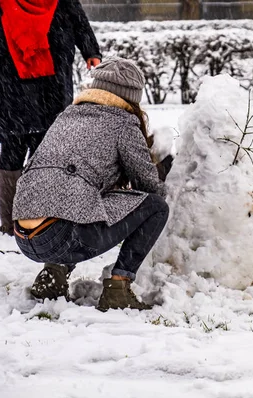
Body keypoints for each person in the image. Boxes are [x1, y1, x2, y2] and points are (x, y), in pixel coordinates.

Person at [12, 58, 170, 312]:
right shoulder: (122, 121)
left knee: (75, 196)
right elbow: (147, 185)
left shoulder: (67, 115)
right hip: (62, 237)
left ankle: (52, 276)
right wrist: (165, 171)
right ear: (131, 97)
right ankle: (119, 287)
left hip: (24, 237)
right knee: (157, 207)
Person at [0, 0, 102, 235]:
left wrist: (90, 50)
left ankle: (13, 221)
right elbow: (77, 18)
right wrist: (90, 51)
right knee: (44, 149)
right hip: (47, 80)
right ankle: (39, 220)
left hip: (12, 78)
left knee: (15, 148)